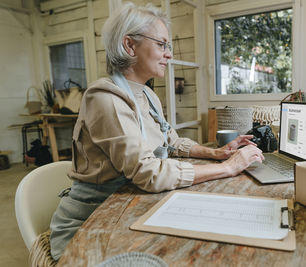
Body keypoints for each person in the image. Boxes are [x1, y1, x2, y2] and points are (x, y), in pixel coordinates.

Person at [49, 2, 264, 261]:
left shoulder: (148, 94)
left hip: (130, 205)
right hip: (91, 224)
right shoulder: (105, 98)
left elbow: (172, 141)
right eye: (162, 44)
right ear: (130, 45)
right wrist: (228, 168)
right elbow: (147, 173)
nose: (169, 54)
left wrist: (216, 153)